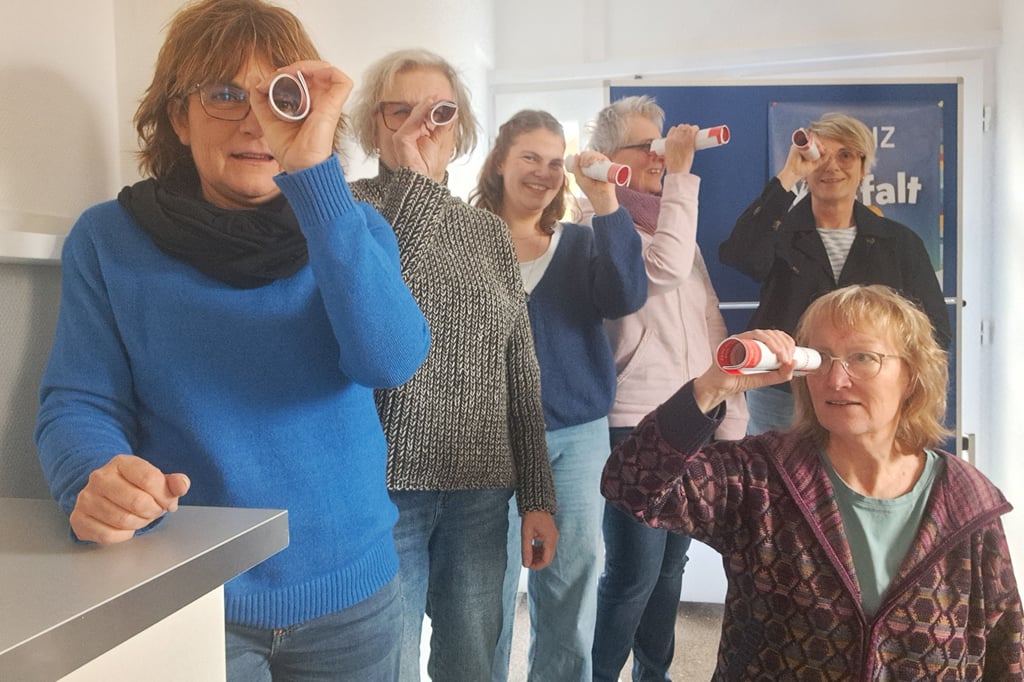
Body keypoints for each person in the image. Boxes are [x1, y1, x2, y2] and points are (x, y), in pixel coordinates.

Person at [33, 1, 431, 679]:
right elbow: (77, 400)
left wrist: (315, 182)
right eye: (223, 93)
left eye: (279, 95)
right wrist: (90, 477)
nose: (253, 120)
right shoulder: (108, 240)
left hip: (352, 595)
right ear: (178, 118)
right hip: (188, 592)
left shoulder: (352, 231)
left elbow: (389, 360)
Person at [602, 284, 1023, 680]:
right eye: (821, 358)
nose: (836, 380)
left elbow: (1006, 647)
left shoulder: (966, 500)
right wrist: (714, 386)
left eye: (863, 357)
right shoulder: (761, 476)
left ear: (912, 376)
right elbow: (630, 484)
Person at [348, 51, 559, 682]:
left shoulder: (488, 232)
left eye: (439, 111)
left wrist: (537, 495)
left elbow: (520, 369)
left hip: (480, 485)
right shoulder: (347, 212)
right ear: (373, 123)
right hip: (387, 486)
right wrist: (413, 185)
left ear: (460, 125)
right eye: (400, 109)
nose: (422, 125)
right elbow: (380, 302)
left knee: (473, 660)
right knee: (388, 660)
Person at [470, 109, 647, 681]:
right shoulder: (464, 241)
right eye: (529, 157)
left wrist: (606, 204)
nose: (542, 172)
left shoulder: (579, 241)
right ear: (500, 161)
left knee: (571, 580)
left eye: (553, 162)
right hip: (484, 440)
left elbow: (626, 295)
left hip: (575, 435)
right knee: (481, 590)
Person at [583, 95, 748, 682]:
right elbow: (663, 271)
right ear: (607, 156)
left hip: (694, 414)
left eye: (663, 145)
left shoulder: (675, 223)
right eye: (647, 147)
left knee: (671, 569)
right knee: (632, 573)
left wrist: (731, 407)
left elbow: (709, 320)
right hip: (633, 418)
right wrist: (681, 173)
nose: (658, 156)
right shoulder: (597, 226)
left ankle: (655, 674)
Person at [719, 112, 951, 436]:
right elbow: (740, 256)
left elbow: (935, 329)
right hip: (784, 393)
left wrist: (892, 378)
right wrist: (788, 175)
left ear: (864, 167)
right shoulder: (778, 233)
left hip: (867, 394)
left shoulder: (899, 242)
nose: (832, 166)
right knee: (774, 484)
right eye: (820, 156)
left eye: (845, 155)